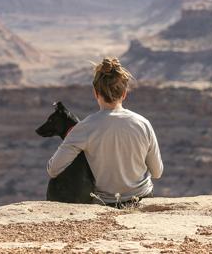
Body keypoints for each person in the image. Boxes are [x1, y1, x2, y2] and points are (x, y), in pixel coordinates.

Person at [46, 57, 164, 206]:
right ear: (124, 94)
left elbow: (53, 169)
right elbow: (157, 172)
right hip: (142, 199)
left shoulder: (84, 128)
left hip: (106, 204)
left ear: (96, 93)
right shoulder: (143, 124)